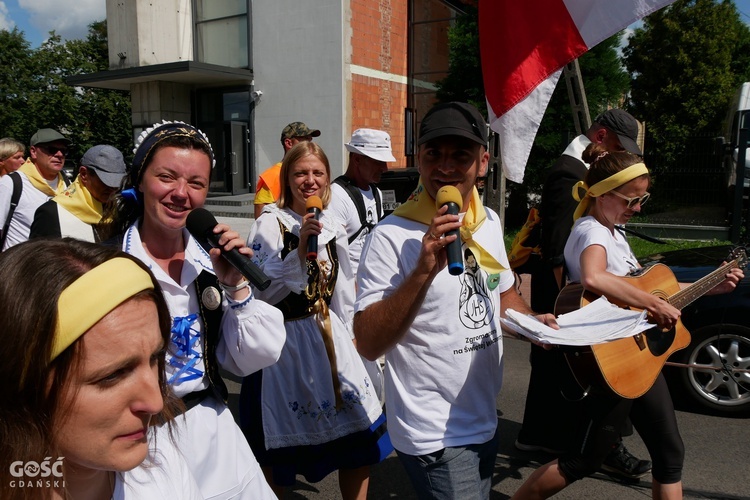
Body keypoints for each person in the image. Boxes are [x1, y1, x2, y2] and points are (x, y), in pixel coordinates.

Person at [511, 143, 744, 500]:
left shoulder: (612, 232)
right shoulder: (592, 231)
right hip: (615, 360)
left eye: (642, 201)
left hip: (637, 358)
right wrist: (652, 302)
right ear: (602, 195)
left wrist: (709, 287)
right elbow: (594, 278)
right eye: (629, 201)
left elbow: (646, 288)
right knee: (582, 461)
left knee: (670, 453)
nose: (636, 209)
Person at [353, 102, 557, 499]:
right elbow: (368, 341)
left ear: (482, 163)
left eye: (460, 155)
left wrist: (534, 325)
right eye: (434, 154)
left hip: (482, 416)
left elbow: (503, 297)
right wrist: (423, 270)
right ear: (420, 158)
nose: (444, 167)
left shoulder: (488, 221)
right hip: (433, 430)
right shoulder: (390, 236)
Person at [111, 120, 287, 500]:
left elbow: (251, 359)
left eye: (196, 183)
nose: (181, 193)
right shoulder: (106, 264)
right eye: (167, 177)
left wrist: (236, 285)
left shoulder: (210, 262)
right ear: (140, 179)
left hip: (213, 434)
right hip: (139, 441)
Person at [240, 141, 392, 499]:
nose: (309, 180)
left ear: (327, 179)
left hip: (330, 337)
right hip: (285, 345)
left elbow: (341, 285)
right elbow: (259, 294)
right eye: (300, 173)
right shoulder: (269, 225)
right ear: (287, 179)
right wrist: (296, 252)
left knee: (357, 443)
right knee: (282, 451)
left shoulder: (332, 222)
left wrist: (355, 332)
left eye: (317, 173)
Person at [0, 238, 202, 500]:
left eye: (155, 357)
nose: (155, 402)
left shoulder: (163, 467)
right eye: (113, 376)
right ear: (21, 384)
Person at [518, 109, 651, 480]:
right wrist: (577, 308)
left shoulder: (580, 169)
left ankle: (543, 438)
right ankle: (598, 448)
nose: (620, 154)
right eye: (618, 146)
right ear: (600, 136)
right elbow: (559, 245)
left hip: (572, 289)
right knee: (588, 373)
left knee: (557, 371)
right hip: (569, 290)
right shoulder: (569, 173)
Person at [328, 128, 396, 273]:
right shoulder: (336, 195)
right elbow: (331, 254)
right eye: (379, 161)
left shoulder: (376, 193)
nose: (384, 168)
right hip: (349, 287)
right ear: (357, 159)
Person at [30, 144, 127, 242]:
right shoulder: (51, 214)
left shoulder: (121, 210)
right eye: (106, 182)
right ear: (84, 174)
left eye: (117, 182)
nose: (113, 188)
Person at [0, 128, 71, 250]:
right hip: (20, 264)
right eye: (52, 149)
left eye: (63, 151)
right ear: (33, 152)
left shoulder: (67, 184)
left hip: (54, 264)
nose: (59, 154)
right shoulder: (12, 182)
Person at [254, 121, 320, 218]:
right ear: (288, 143)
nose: (309, 145)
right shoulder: (272, 176)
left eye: (310, 140)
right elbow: (261, 220)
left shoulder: (313, 172)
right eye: (305, 140)